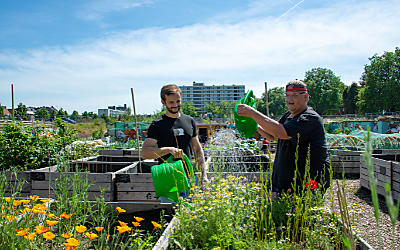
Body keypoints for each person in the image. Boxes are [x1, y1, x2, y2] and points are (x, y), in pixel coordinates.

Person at [236, 80, 330, 195]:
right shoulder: (288, 115)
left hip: (307, 181)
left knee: (302, 211)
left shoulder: (309, 118)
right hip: (288, 181)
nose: (289, 99)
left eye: (294, 95)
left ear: (305, 97)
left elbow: (280, 132)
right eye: (287, 95)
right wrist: (254, 124)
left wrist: (253, 113)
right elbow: (272, 136)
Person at [142, 84, 209, 201]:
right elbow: (145, 153)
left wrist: (204, 176)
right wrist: (168, 150)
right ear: (163, 102)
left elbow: (197, 150)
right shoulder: (157, 124)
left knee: (191, 216)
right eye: (171, 102)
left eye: (178, 101)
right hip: (168, 180)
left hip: (189, 178)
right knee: (171, 216)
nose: (175, 105)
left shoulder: (189, 121)